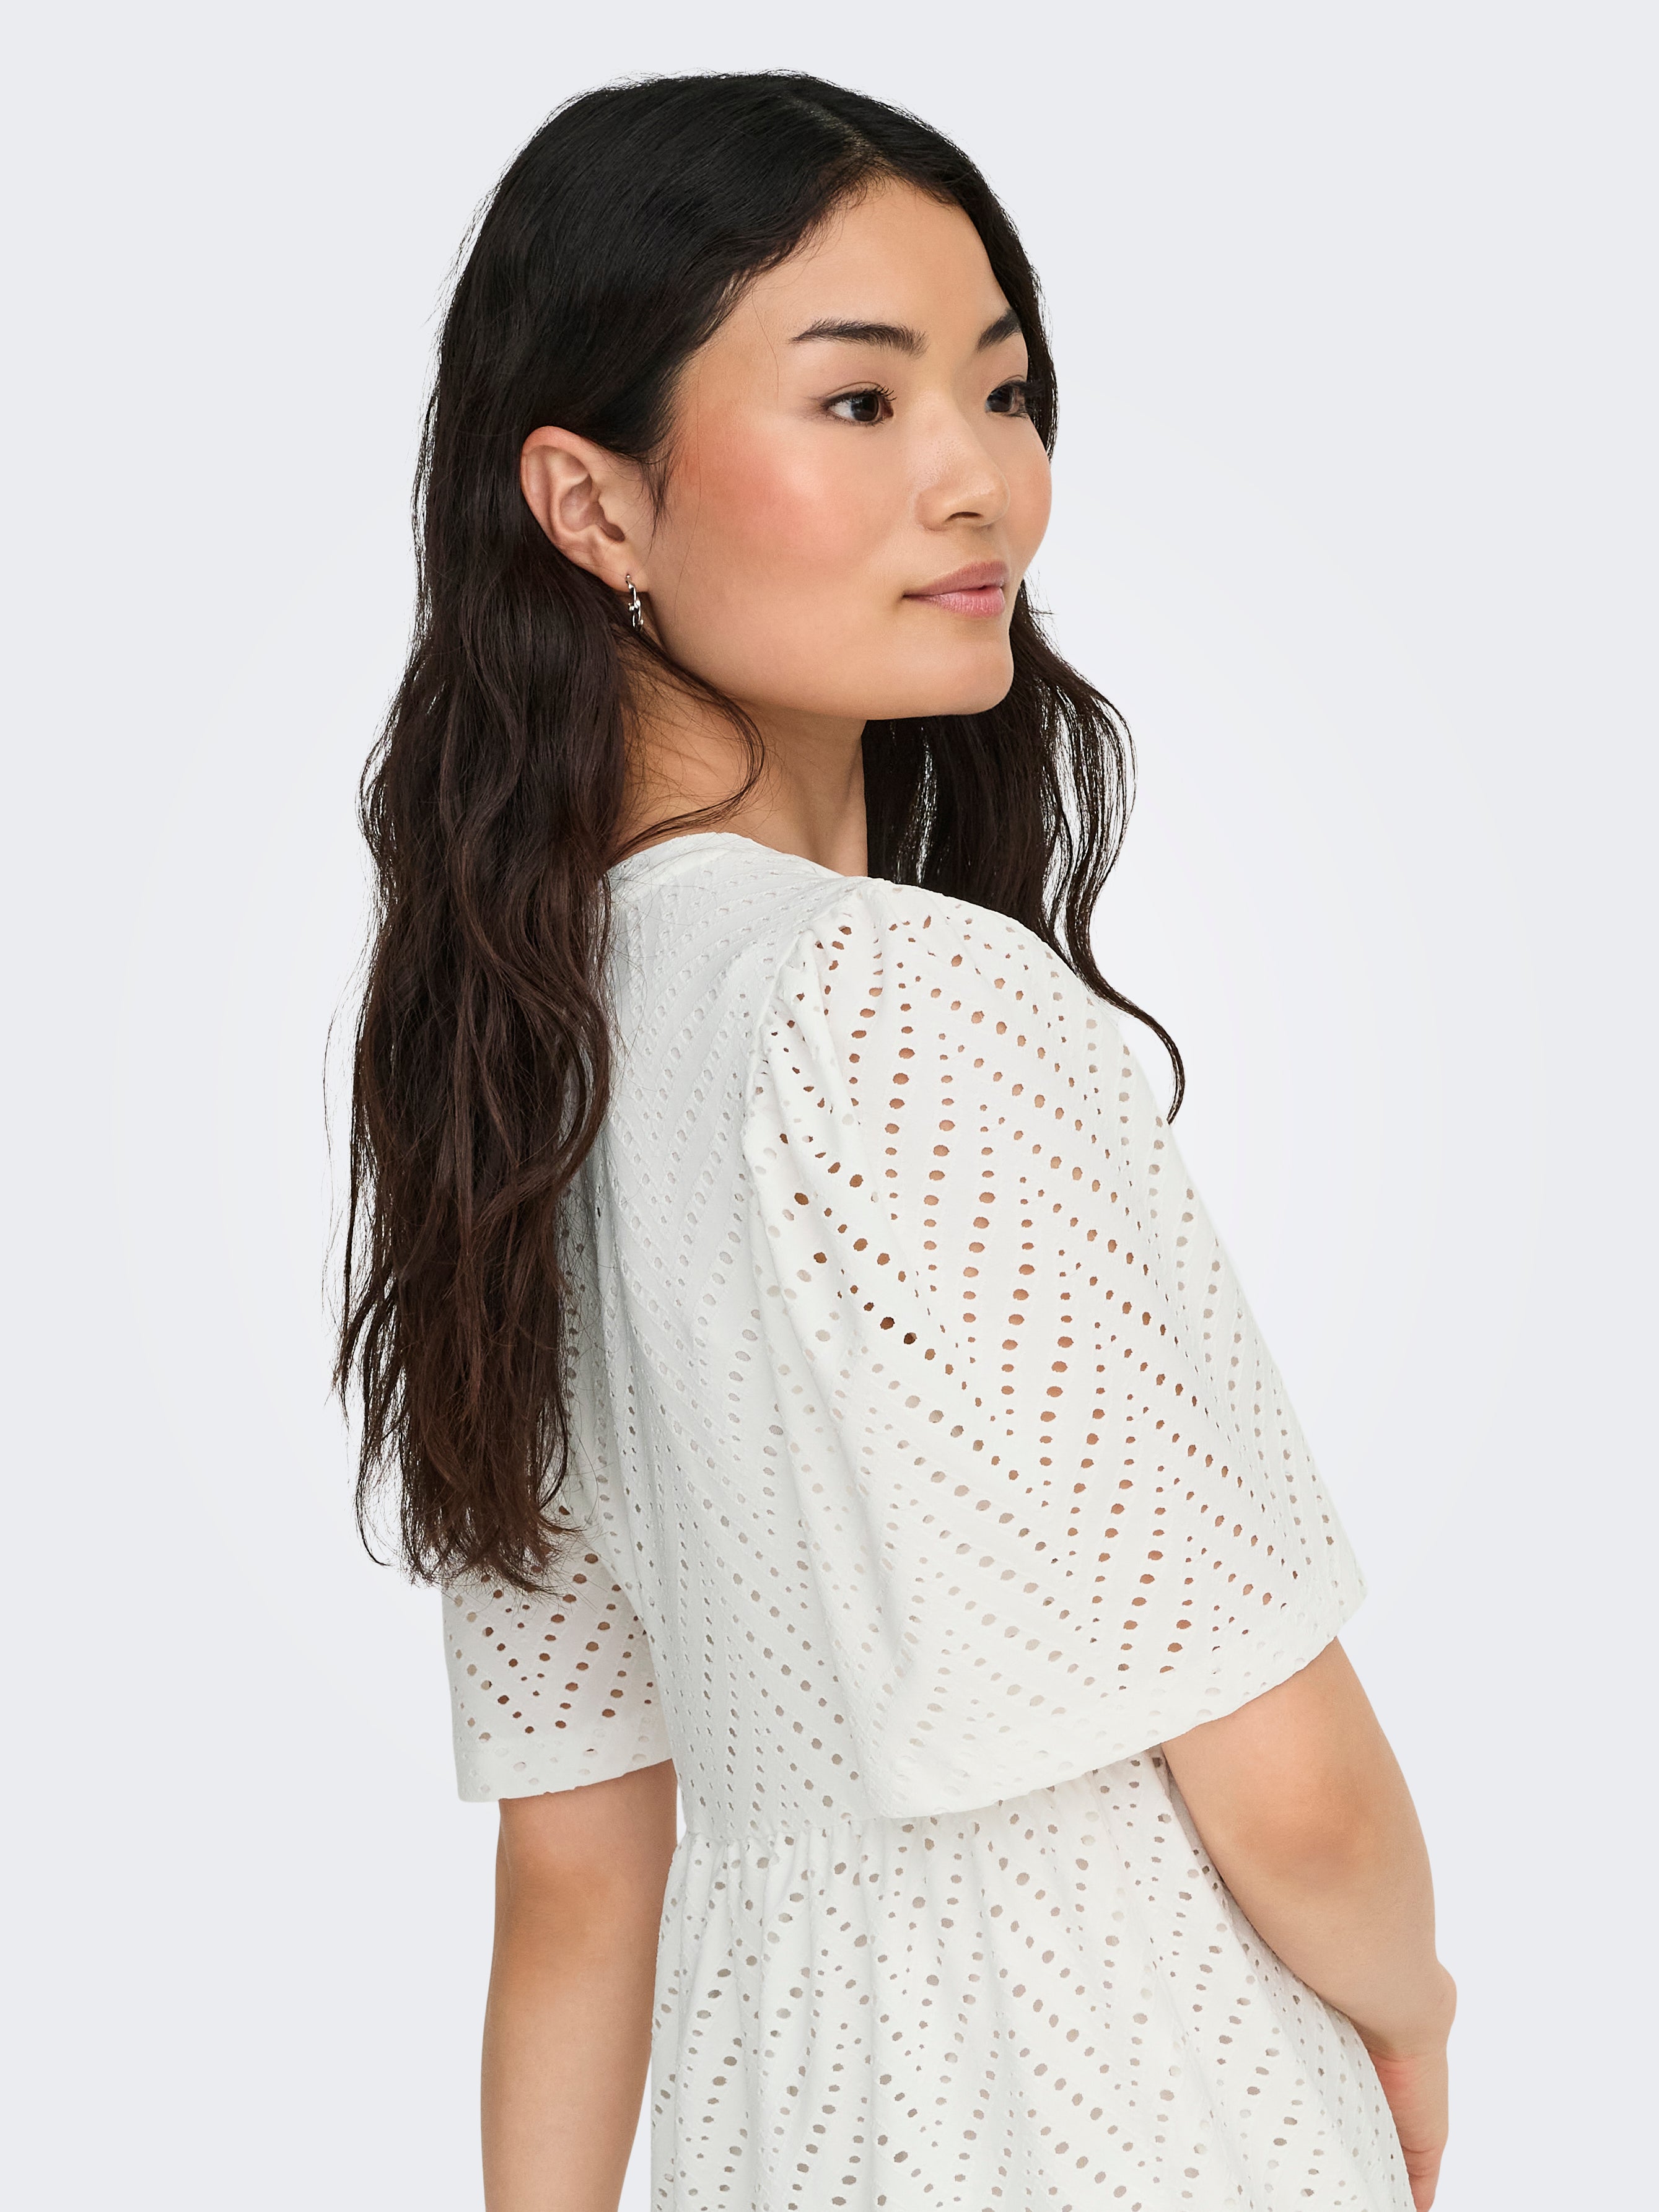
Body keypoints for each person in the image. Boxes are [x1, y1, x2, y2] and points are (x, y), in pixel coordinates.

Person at [338, 71, 1455, 2212]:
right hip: (1142, 2106)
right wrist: (1414, 2006)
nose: (981, 482)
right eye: (859, 401)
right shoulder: (901, 1001)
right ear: (590, 506)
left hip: (786, 2128)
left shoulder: (518, 1079)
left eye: (1004, 392)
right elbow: (1294, 1786)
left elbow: (578, 1870)